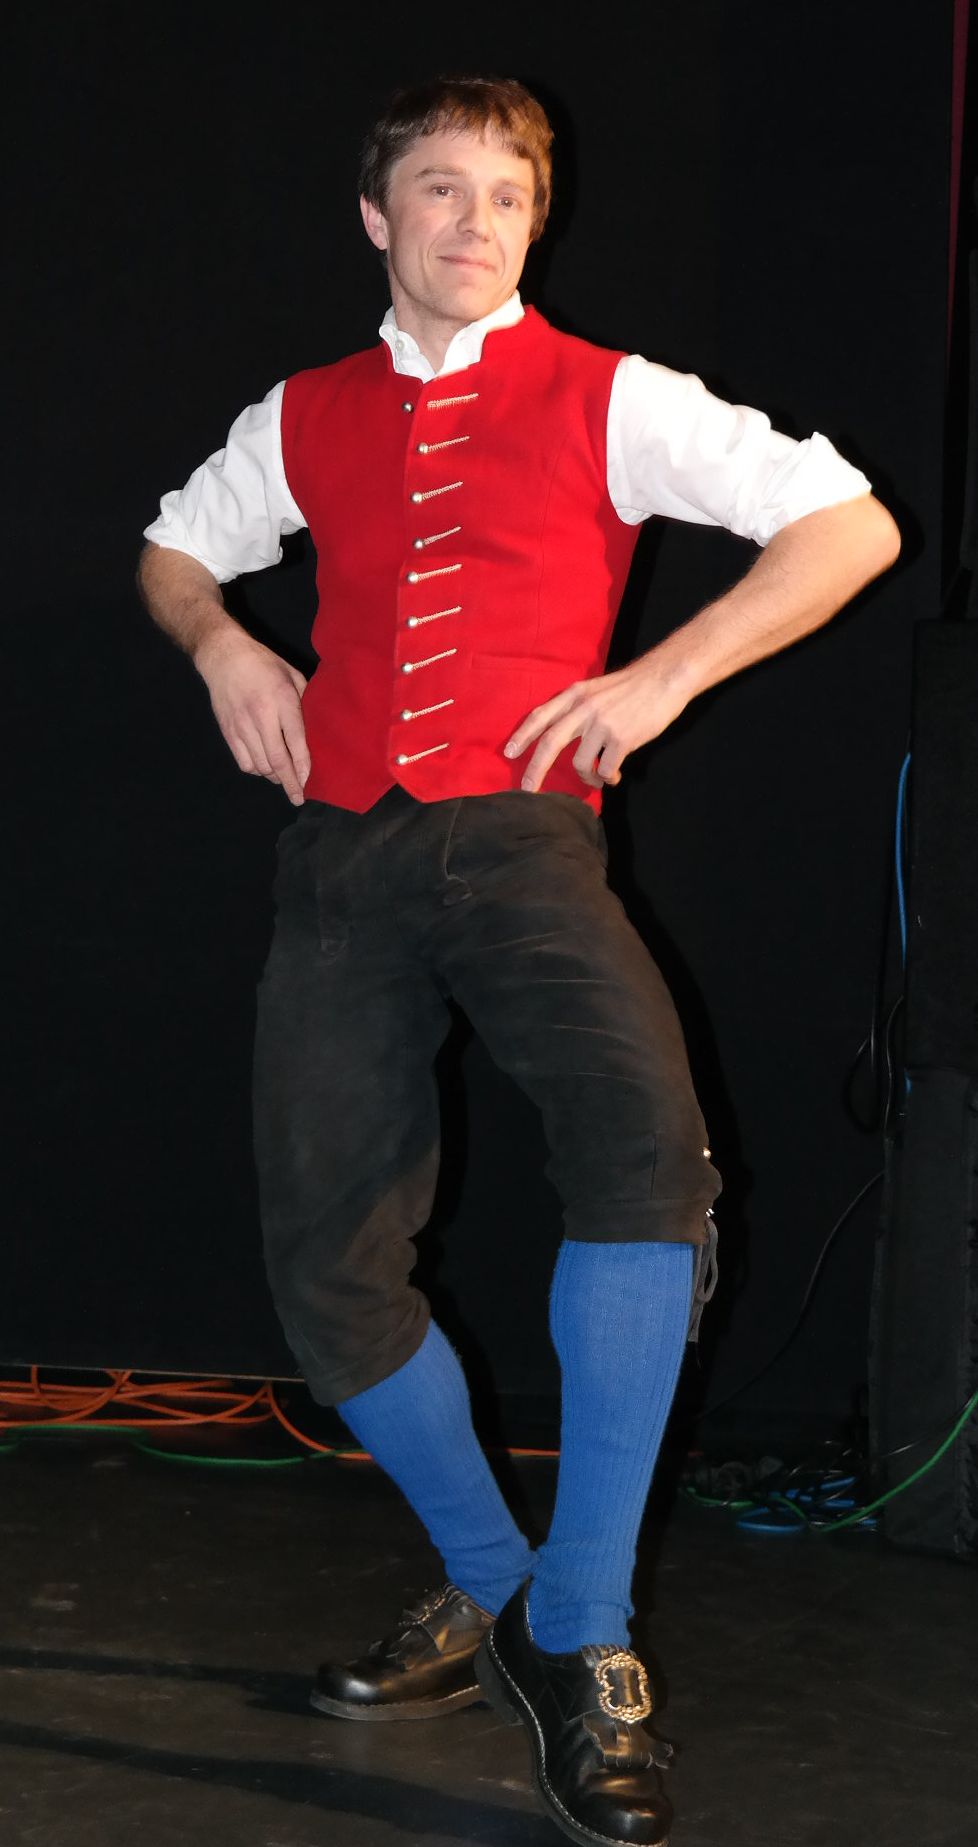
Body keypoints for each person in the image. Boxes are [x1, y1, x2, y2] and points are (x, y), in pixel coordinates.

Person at [138, 74, 899, 1847]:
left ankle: (584, 1626)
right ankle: (501, 1588)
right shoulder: (303, 412)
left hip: (525, 838)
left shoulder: (608, 395)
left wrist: (662, 677)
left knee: (646, 1160)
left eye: (504, 196)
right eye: (437, 189)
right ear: (376, 219)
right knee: (328, 1265)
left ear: (532, 224)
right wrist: (223, 645)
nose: (473, 222)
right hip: (341, 852)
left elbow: (850, 524)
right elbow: (175, 551)